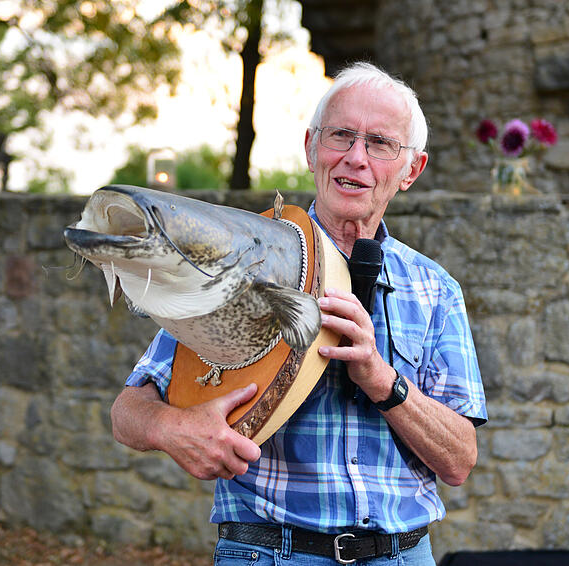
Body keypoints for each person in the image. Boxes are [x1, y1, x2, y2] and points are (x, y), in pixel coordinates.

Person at [110, 62, 487, 565]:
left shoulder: (436, 289)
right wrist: (172, 430)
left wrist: (380, 378)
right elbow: (127, 411)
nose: (356, 158)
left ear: (410, 170)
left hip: (402, 555)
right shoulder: (249, 257)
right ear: (311, 147)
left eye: (380, 143)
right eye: (341, 136)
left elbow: (459, 460)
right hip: (269, 552)